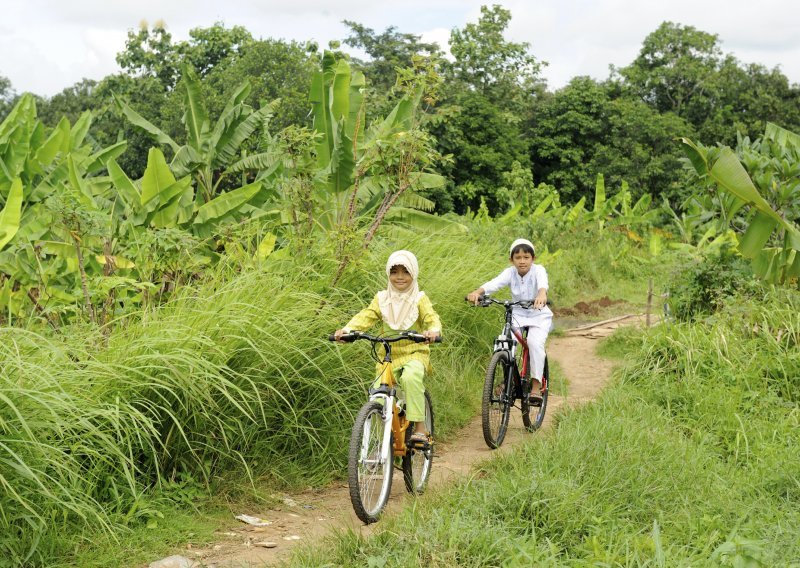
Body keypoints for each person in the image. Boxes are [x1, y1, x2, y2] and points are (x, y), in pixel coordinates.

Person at [334, 250, 441, 443]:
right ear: (388, 274)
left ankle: (420, 428)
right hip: (387, 355)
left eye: (405, 272)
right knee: (378, 396)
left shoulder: (419, 298)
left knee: (411, 377)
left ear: (413, 273)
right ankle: (386, 438)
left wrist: (433, 331)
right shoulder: (382, 298)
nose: (400, 277)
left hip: (414, 352)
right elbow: (366, 316)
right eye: (394, 272)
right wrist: (348, 330)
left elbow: (431, 317)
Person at [466, 238, 552, 397]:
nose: (522, 261)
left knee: (534, 343)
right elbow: (494, 283)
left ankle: (535, 386)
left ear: (533, 258)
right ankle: (508, 380)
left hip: (538, 314)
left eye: (526, 257)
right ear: (511, 260)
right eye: (518, 258)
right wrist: (477, 293)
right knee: (504, 344)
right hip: (517, 313)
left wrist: (541, 295)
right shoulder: (510, 272)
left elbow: (542, 285)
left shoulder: (538, 270)